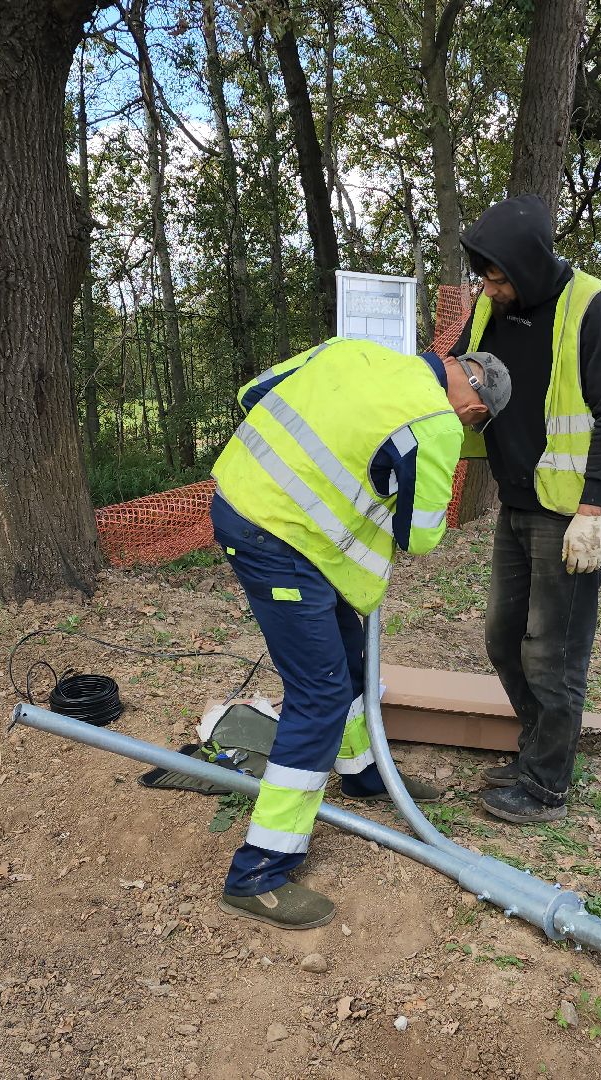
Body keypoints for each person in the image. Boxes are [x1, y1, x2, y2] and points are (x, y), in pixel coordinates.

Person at [210, 336, 512, 930]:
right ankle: (259, 870)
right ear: (476, 410)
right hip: (278, 540)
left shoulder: (359, 351)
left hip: (244, 501)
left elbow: (254, 394)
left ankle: (361, 773)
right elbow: (421, 536)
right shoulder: (439, 425)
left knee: (349, 664)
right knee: (319, 697)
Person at [447, 194, 601, 826]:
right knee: (503, 638)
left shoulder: (594, 309)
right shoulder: (488, 308)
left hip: (573, 511)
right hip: (519, 497)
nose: (488, 288)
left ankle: (548, 782)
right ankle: (539, 746)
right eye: (484, 276)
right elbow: (461, 373)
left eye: (497, 276)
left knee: (551, 653)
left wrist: (592, 511)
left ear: (528, 266)